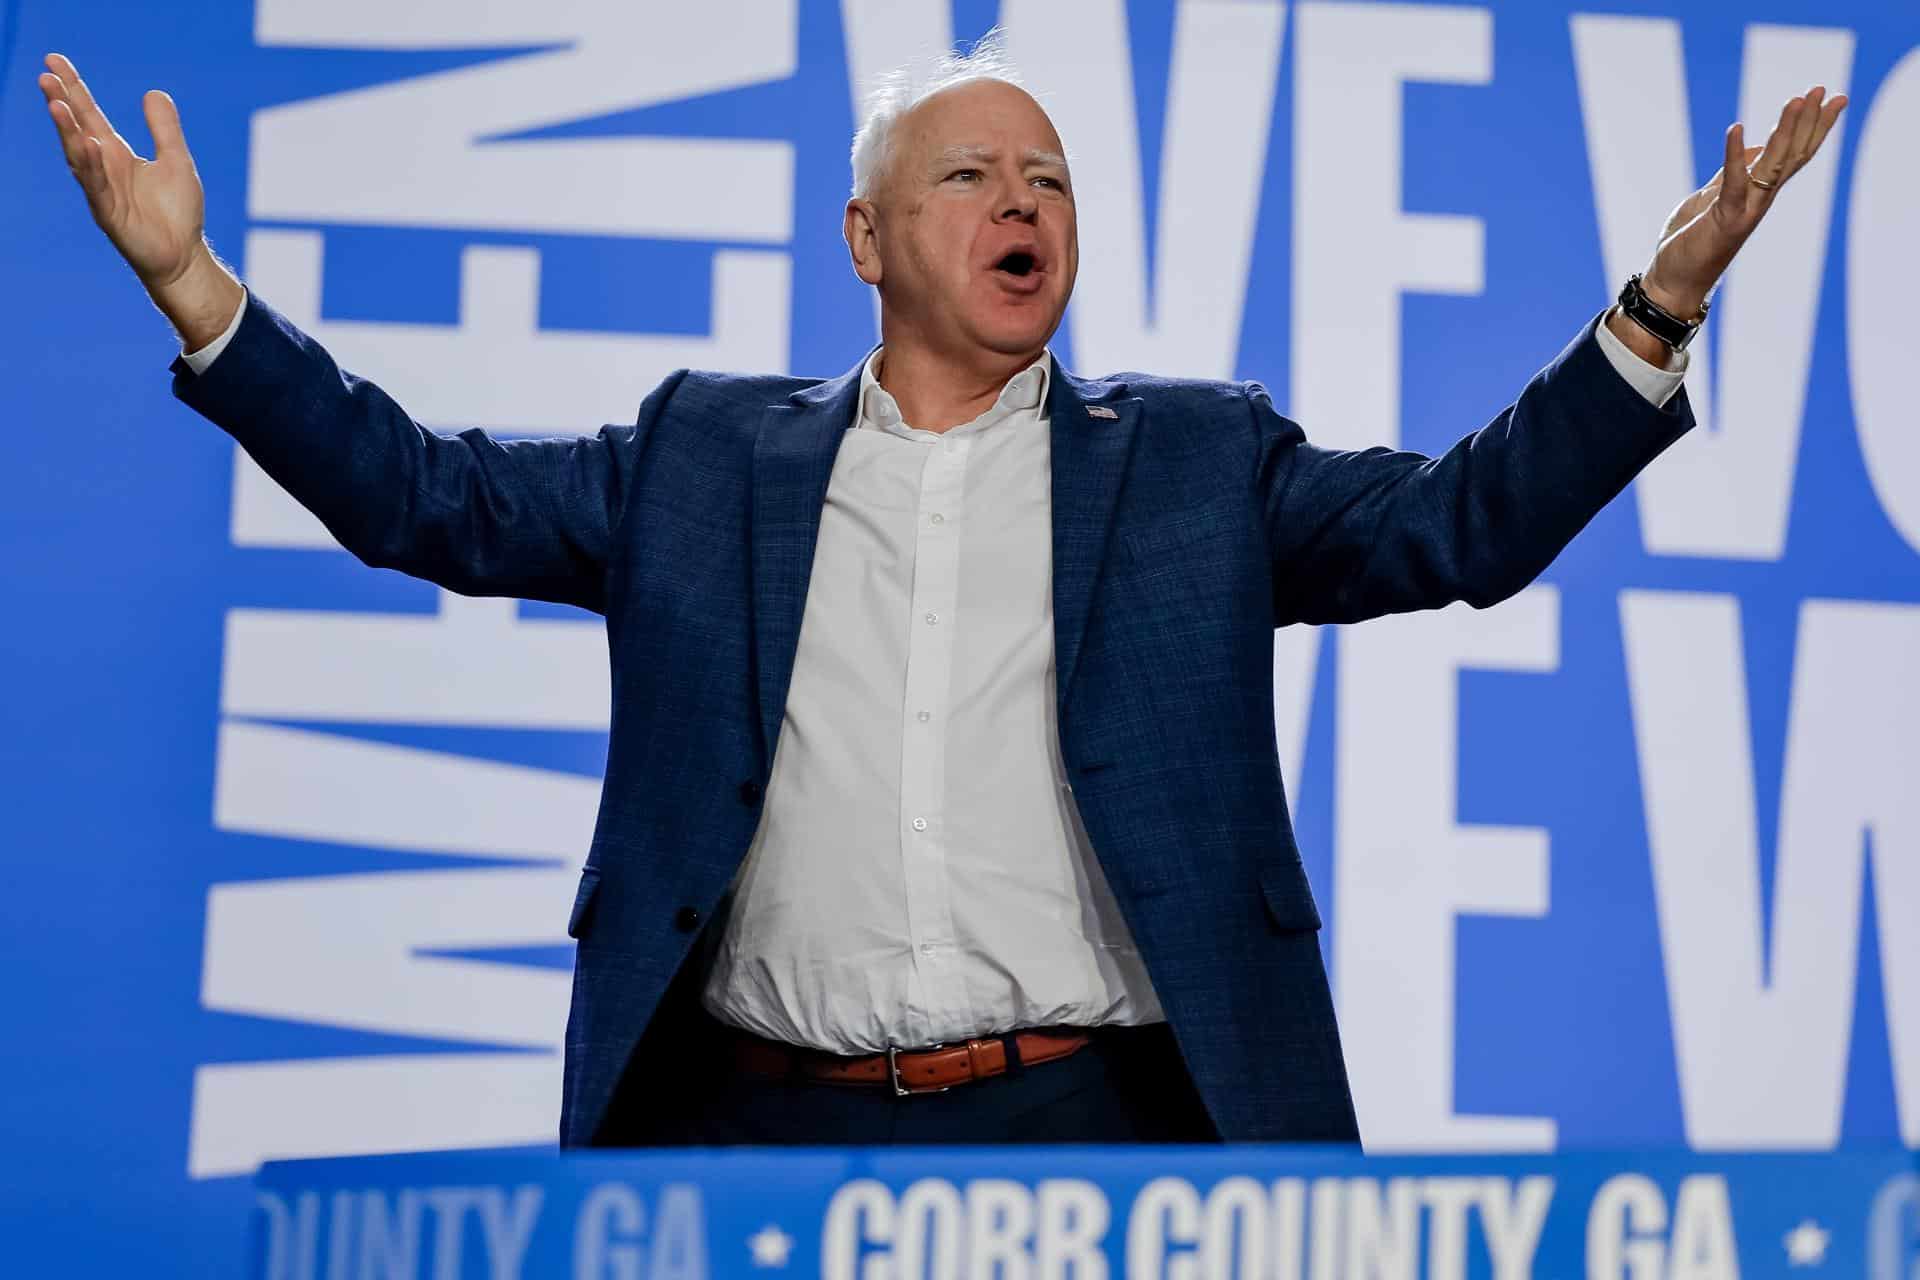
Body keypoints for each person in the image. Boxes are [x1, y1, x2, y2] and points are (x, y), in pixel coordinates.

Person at [40, 38, 1844, 1147]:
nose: (1023, 200)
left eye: (1050, 177)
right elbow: (423, 497)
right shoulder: (697, 458)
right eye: (973, 172)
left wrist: (1656, 312)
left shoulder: (1198, 464)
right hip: (754, 1140)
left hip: (1104, 1136)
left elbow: (1460, 529)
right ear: (868, 237)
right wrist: (200, 289)